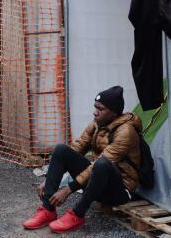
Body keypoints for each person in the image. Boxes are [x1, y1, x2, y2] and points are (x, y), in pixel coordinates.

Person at [23, 86, 142, 233]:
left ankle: (77, 215)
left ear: (114, 112)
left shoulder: (126, 132)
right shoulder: (97, 124)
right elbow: (76, 149)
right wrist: (49, 180)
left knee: (102, 163)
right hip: (97, 182)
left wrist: (68, 189)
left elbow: (99, 164)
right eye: (95, 107)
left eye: (101, 109)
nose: (95, 112)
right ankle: (48, 209)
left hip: (119, 191)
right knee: (61, 150)